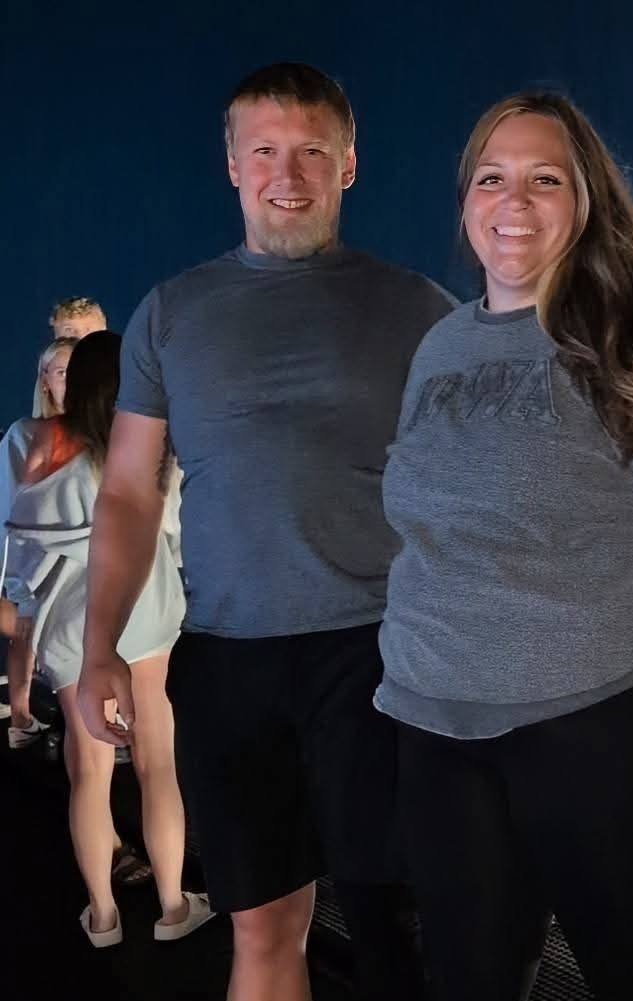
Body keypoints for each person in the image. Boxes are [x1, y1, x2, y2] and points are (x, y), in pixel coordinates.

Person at [375, 91, 633, 1001]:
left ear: (588, 198)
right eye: (491, 178)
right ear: (466, 201)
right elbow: (428, 524)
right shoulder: (440, 347)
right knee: (467, 983)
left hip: (595, 722)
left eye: (544, 180)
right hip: (435, 727)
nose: (513, 201)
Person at [76, 62, 454, 1001]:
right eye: (265, 151)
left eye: (312, 152)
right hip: (227, 660)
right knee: (262, 928)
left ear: (348, 165)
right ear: (232, 166)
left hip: (378, 655)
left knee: (397, 928)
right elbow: (127, 493)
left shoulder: (415, 309)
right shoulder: (170, 314)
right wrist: (99, 647)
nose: (288, 175)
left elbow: (489, 468)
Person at [3, 331, 210, 946]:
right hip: (145, 612)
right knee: (157, 764)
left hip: (69, 622)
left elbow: (16, 539)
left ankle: (102, 916)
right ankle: (173, 907)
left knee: (89, 774)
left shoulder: (36, 445)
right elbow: (177, 534)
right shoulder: (148, 451)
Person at [3, 336, 77, 748]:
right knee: (27, 633)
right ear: (45, 381)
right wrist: (14, 580)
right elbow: (11, 506)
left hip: (83, 569)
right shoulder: (26, 434)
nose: (73, 380)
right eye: (63, 371)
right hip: (38, 566)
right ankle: (22, 718)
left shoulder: (105, 433)